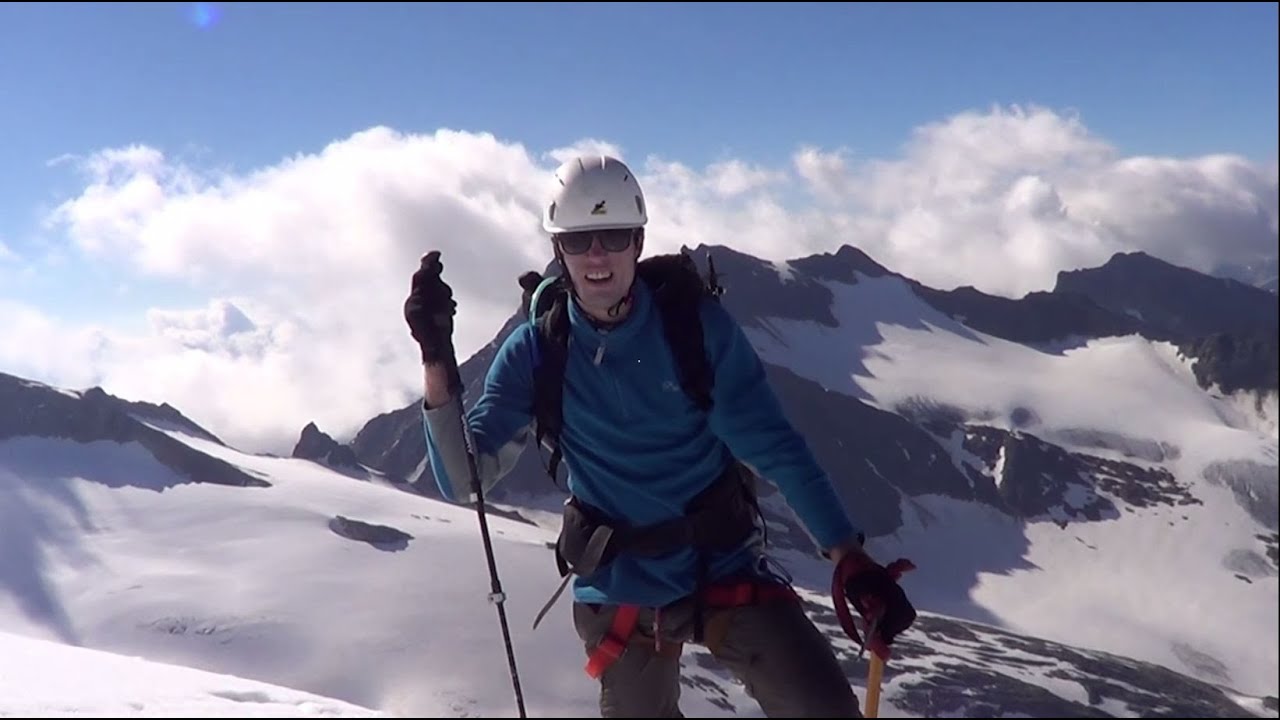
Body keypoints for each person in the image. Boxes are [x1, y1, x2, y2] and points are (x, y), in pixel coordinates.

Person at [403, 155, 916, 718]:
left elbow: (776, 448)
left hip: (720, 561)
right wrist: (434, 356)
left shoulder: (693, 331)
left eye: (613, 236)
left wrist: (848, 555)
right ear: (559, 250)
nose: (597, 255)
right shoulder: (537, 350)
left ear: (638, 242)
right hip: (620, 579)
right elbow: (464, 480)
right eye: (578, 240)